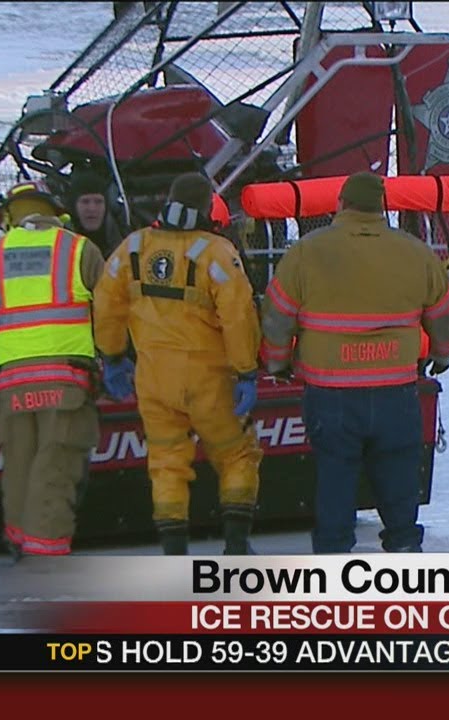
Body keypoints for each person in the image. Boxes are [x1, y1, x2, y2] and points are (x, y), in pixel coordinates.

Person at [259, 172, 449, 554]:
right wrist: (442, 353)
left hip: (331, 392)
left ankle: (333, 557)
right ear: (381, 207)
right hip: (395, 390)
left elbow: (277, 317)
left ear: (342, 204)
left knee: (335, 475)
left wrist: (277, 363)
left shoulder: (306, 252)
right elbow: (445, 310)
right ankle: (403, 551)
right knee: (399, 473)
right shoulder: (415, 252)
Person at [92, 172, 263, 555]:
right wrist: (246, 370)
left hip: (153, 376)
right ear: (207, 206)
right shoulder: (217, 253)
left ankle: (174, 548)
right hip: (209, 377)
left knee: (167, 460)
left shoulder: (133, 248)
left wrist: (114, 356)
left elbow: (106, 304)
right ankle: (236, 544)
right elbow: (238, 316)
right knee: (236, 453)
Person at [0, 180, 104, 559]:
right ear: (56, 213)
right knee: (56, 462)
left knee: (19, 460)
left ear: (9, 216)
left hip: (11, 381)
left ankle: (18, 538)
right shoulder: (78, 249)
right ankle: (46, 551)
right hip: (65, 378)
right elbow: (111, 301)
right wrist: (115, 357)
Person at [65, 169, 124, 257]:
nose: (92, 208)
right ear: (74, 207)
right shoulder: (60, 245)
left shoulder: (125, 241)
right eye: (85, 202)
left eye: (98, 201)